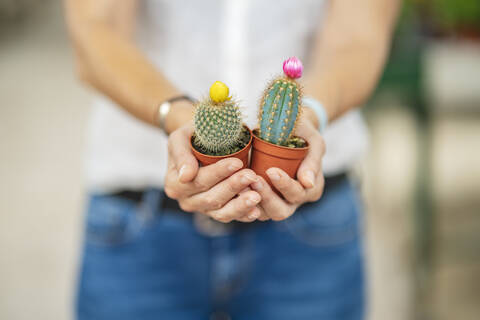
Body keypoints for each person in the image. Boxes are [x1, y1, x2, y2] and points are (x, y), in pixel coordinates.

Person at [65, 0, 400, 319]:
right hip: (137, 218)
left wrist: (308, 115)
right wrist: (178, 115)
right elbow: (95, 27)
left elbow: (360, 37)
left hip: (312, 225)